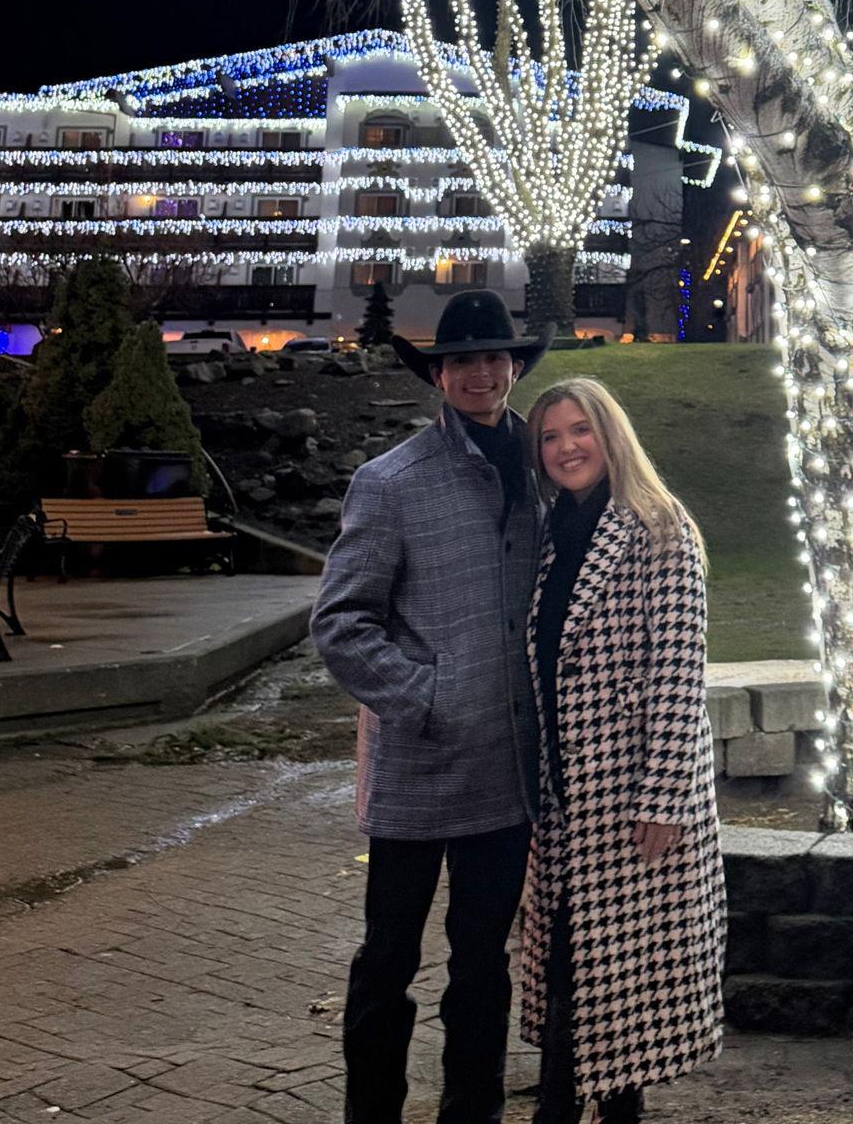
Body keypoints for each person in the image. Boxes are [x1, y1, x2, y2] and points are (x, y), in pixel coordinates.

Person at [311, 290, 551, 1124]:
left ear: (513, 366)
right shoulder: (391, 482)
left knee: (483, 960)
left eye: (494, 357)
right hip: (419, 765)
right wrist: (426, 693)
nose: (481, 373)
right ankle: (371, 1110)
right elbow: (340, 621)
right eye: (463, 361)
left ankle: (471, 1109)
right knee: (389, 957)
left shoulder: (542, 464)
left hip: (508, 773)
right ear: (440, 375)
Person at [517, 377, 726, 1124]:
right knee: (582, 972)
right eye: (550, 435)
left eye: (580, 430)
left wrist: (664, 797)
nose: (566, 446)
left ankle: (571, 1110)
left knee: (611, 979)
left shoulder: (660, 528)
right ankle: (588, 1107)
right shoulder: (550, 531)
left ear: (610, 434)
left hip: (631, 785)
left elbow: (679, 671)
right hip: (566, 782)